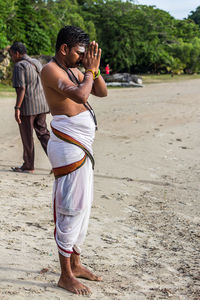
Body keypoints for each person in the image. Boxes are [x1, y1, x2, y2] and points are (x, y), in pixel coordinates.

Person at [41, 25, 107, 295]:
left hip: (82, 147)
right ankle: (65, 275)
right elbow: (81, 95)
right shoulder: (50, 69)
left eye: (85, 54)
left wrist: (95, 67)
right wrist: (88, 72)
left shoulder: (74, 68)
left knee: (83, 208)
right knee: (71, 207)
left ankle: (76, 264)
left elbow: (100, 92)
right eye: (79, 53)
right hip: (68, 147)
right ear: (63, 49)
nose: (82, 57)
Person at [9, 42, 50, 173]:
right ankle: (58, 164)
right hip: (42, 104)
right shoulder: (36, 62)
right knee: (44, 134)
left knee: (27, 136)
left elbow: (21, 88)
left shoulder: (19, 66)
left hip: (28, 106)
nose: (12, 58)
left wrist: (17, 108)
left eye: (11, 55)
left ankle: (28, 165)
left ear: (16, 53)